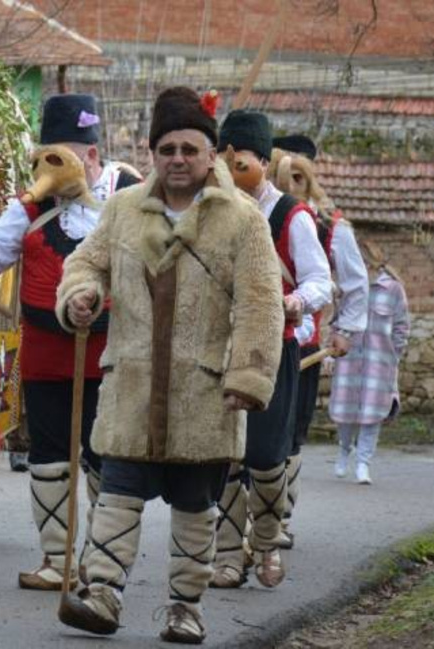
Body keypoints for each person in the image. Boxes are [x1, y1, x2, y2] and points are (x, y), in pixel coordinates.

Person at [54, 87, 284, 644]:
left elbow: (261, 303)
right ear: (153, 154)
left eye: (189, 148)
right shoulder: (123, 210)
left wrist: (249, 379)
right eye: (167, 149)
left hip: (203, 393)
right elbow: (84, 263)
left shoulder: (243, 221)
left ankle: (185, 607)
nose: (177, 159)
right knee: (118, 493)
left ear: (212, 155)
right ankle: (104, 593)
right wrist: (80, 294)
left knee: (195, 507)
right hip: (131, 383)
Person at [0, 94, 140, 591]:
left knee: (102, 454)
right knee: (48, 455)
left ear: (92, 155)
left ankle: (100, 560)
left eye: (65, 155)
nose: (54, 167)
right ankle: (55, 558)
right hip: (46, 350)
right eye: (48, 155)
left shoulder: (130, 199)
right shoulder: (29, 207)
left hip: (111, 353)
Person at [210, 111, 332, 590]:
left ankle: (266, 542)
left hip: (271, 351)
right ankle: (225, 553)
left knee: (263, 456)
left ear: (261, 159)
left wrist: (295, 301)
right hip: (220, 350)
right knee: (224, 458)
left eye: (240, 158)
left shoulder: (290, 216)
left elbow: (320, 280)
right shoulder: (213, 210)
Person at [271, 134, 368, 546]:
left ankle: (277, 519)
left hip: (302, 346)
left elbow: (355, 283)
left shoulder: (330, 227)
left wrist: (344, 331)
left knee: (288, 433)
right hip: (247, 343)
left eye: (296, 174)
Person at [329, 241, 409, 485]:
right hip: (349, 360)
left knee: (373, 416)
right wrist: (332, 352)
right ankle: (344, 451)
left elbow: (401, 326)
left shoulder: (393, 290)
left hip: (379, 363)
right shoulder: (348, 289)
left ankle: (363, 464)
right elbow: (335, 321)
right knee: (344, 414)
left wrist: (393, 355)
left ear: (371, 262)